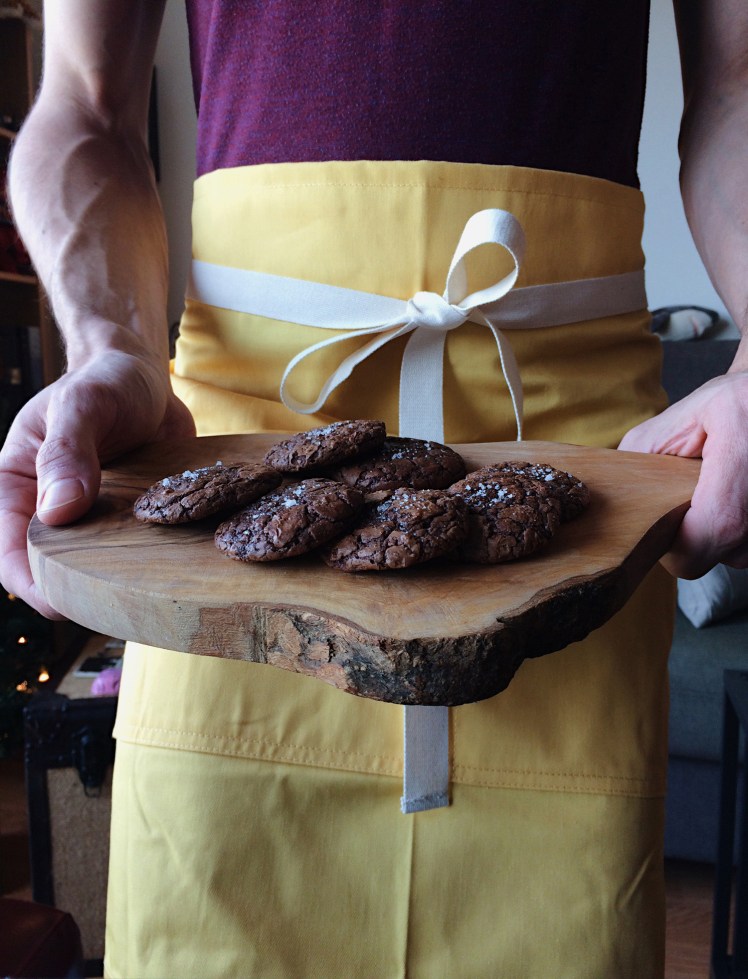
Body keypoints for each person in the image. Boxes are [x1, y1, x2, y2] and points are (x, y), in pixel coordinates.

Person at [3, 2, 748, 976]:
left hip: (577, 488)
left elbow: (735, 88)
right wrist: (109, 346)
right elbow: (86, 111)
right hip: (240, 478)